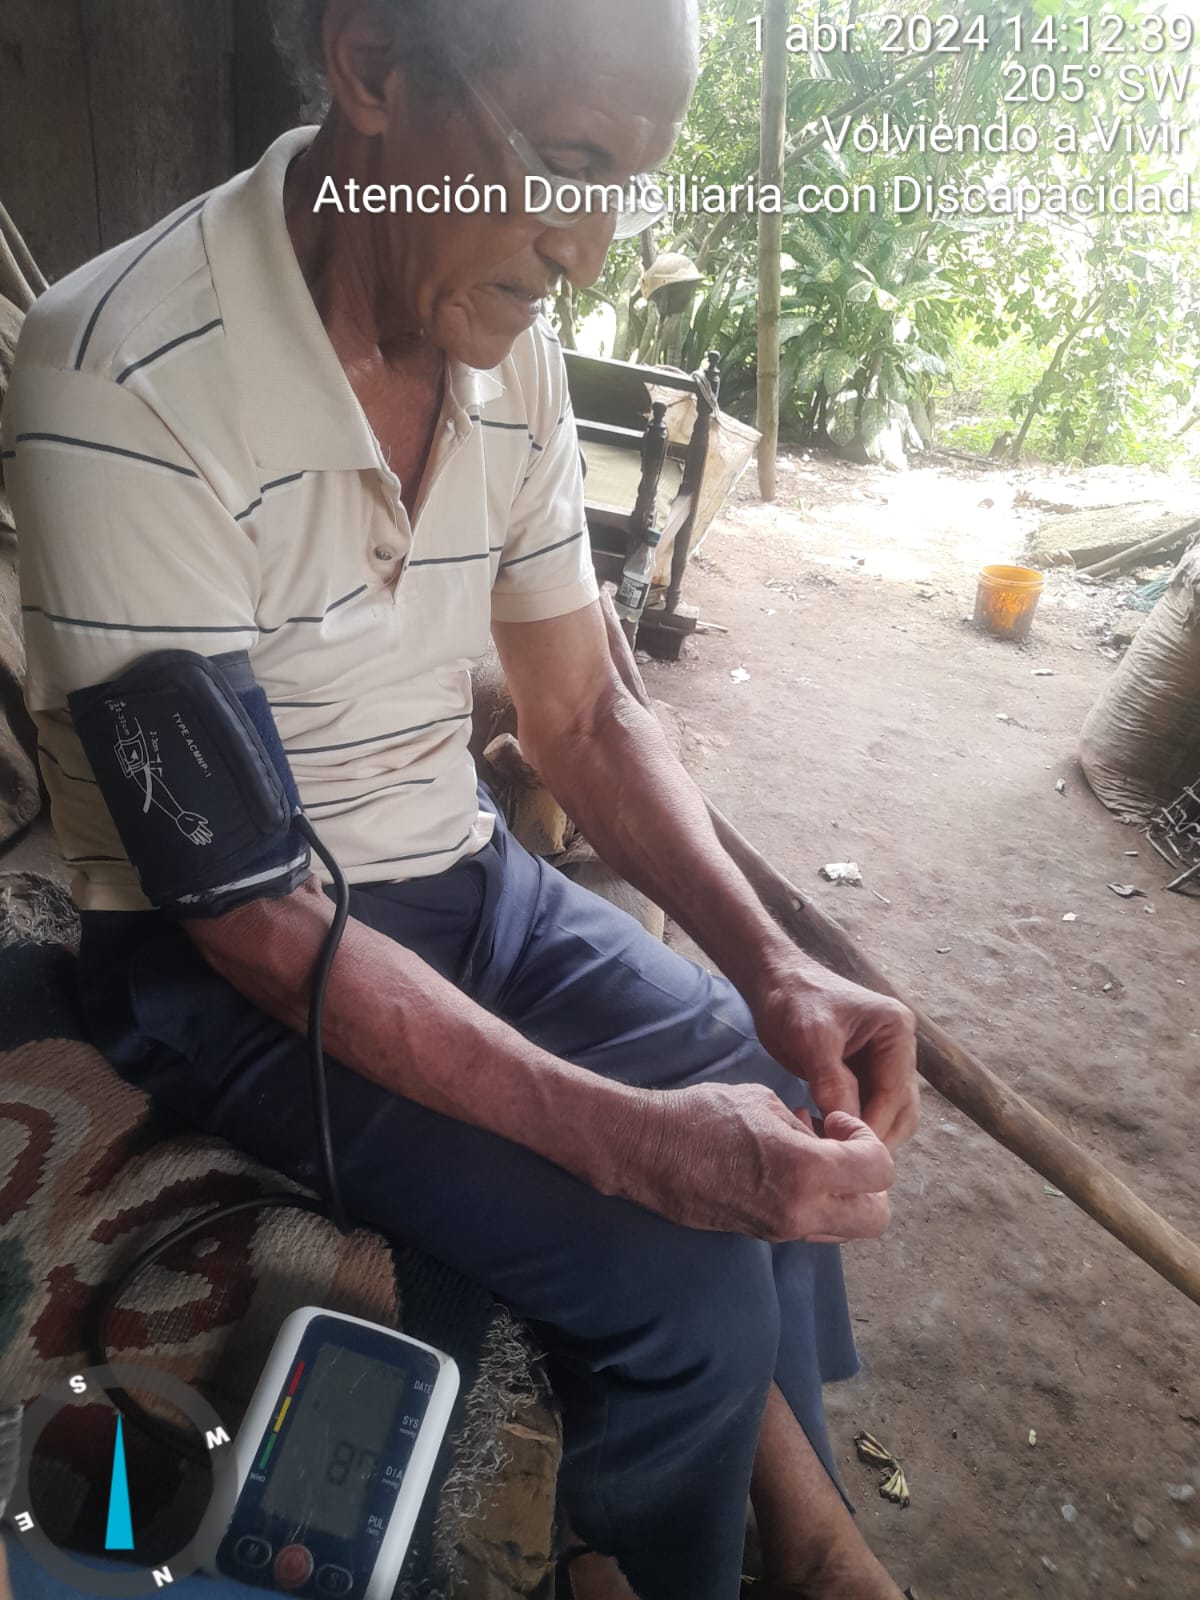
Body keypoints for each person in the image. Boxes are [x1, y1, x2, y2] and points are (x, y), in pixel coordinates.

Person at [3, 1, 919, 1595]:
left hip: (465, 878)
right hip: (229, 964)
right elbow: (252, 919)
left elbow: (582, 710)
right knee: (686, 1283)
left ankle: (806, 1523)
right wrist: (625, 1144)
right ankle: (640, 1562)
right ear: (370, 70)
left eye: (625, 186)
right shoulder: (118, 373)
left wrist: (774, 965)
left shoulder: (506, 342)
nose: (586, 249)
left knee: (772, 1083)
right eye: (563, 164)